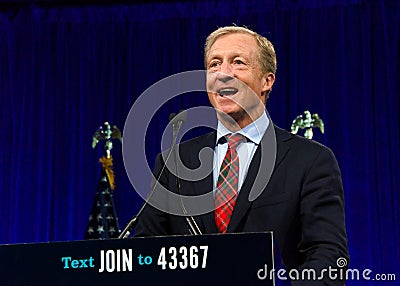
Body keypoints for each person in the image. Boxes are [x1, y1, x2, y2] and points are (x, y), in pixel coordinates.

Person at [134, 25, 349, 285]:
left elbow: (327, 256)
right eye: (214, 64)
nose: (223, 73)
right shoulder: (174, 163)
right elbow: (145, 255)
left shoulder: (310, 161)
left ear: (266, 81)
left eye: (238, 62)